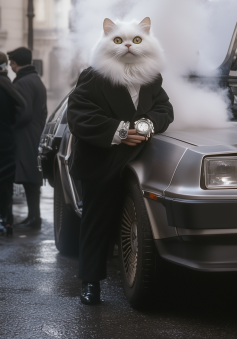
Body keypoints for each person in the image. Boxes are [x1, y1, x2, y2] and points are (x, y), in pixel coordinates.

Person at [67, 17, 174, 305]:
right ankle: (90, 282)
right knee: (96, 221)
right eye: (118, 40)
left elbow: (164, 108)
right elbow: (78, 115)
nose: (128, 45)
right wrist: (120, 132)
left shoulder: (152, 79)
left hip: (137, 163)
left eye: (137, 39)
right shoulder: (93, 76)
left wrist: (147, 125)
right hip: (101, 161)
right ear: (106, 41)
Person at [8, 47, 47, 229]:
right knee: (32, 177)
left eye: (11, 63)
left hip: (25, 135)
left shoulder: (22, 82)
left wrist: (10, 125)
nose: (10, 67)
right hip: (34, 132)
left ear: (15, 63)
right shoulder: (35, 79)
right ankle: (33, 216)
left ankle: (34, 218)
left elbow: (23, 112)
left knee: (29, 178)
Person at [0, 52, 27, 236]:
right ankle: (7, 220)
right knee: (5, 184)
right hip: (6, 142)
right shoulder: (8, 86)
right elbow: (23, 110)